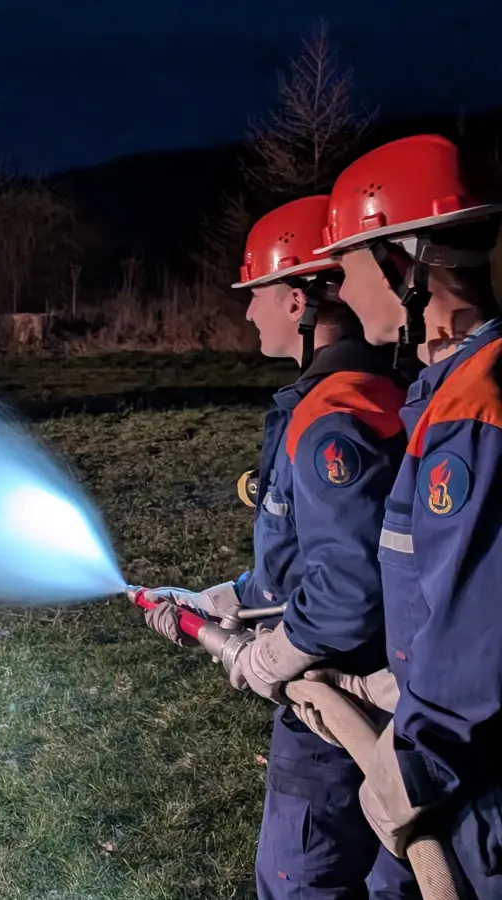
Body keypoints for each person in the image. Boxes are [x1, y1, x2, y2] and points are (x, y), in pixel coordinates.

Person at [141, 194, 417, 898]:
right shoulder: (378, 392)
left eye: (256, 293)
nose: (247, 312)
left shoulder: (332, 421)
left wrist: (269, 656)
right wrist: (226, 599)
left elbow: (348, 587)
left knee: (304, 880)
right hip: (390, 694)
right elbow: (313, 554)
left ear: (298, 301)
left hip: (341, 700)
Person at [302, 133, 502, 899]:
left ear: (404, 264)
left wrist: (414, 763)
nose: (343, 295)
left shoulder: (472, 412)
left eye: (349, 267)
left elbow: (480, 631)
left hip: (473, 788)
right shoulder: (451, 390)